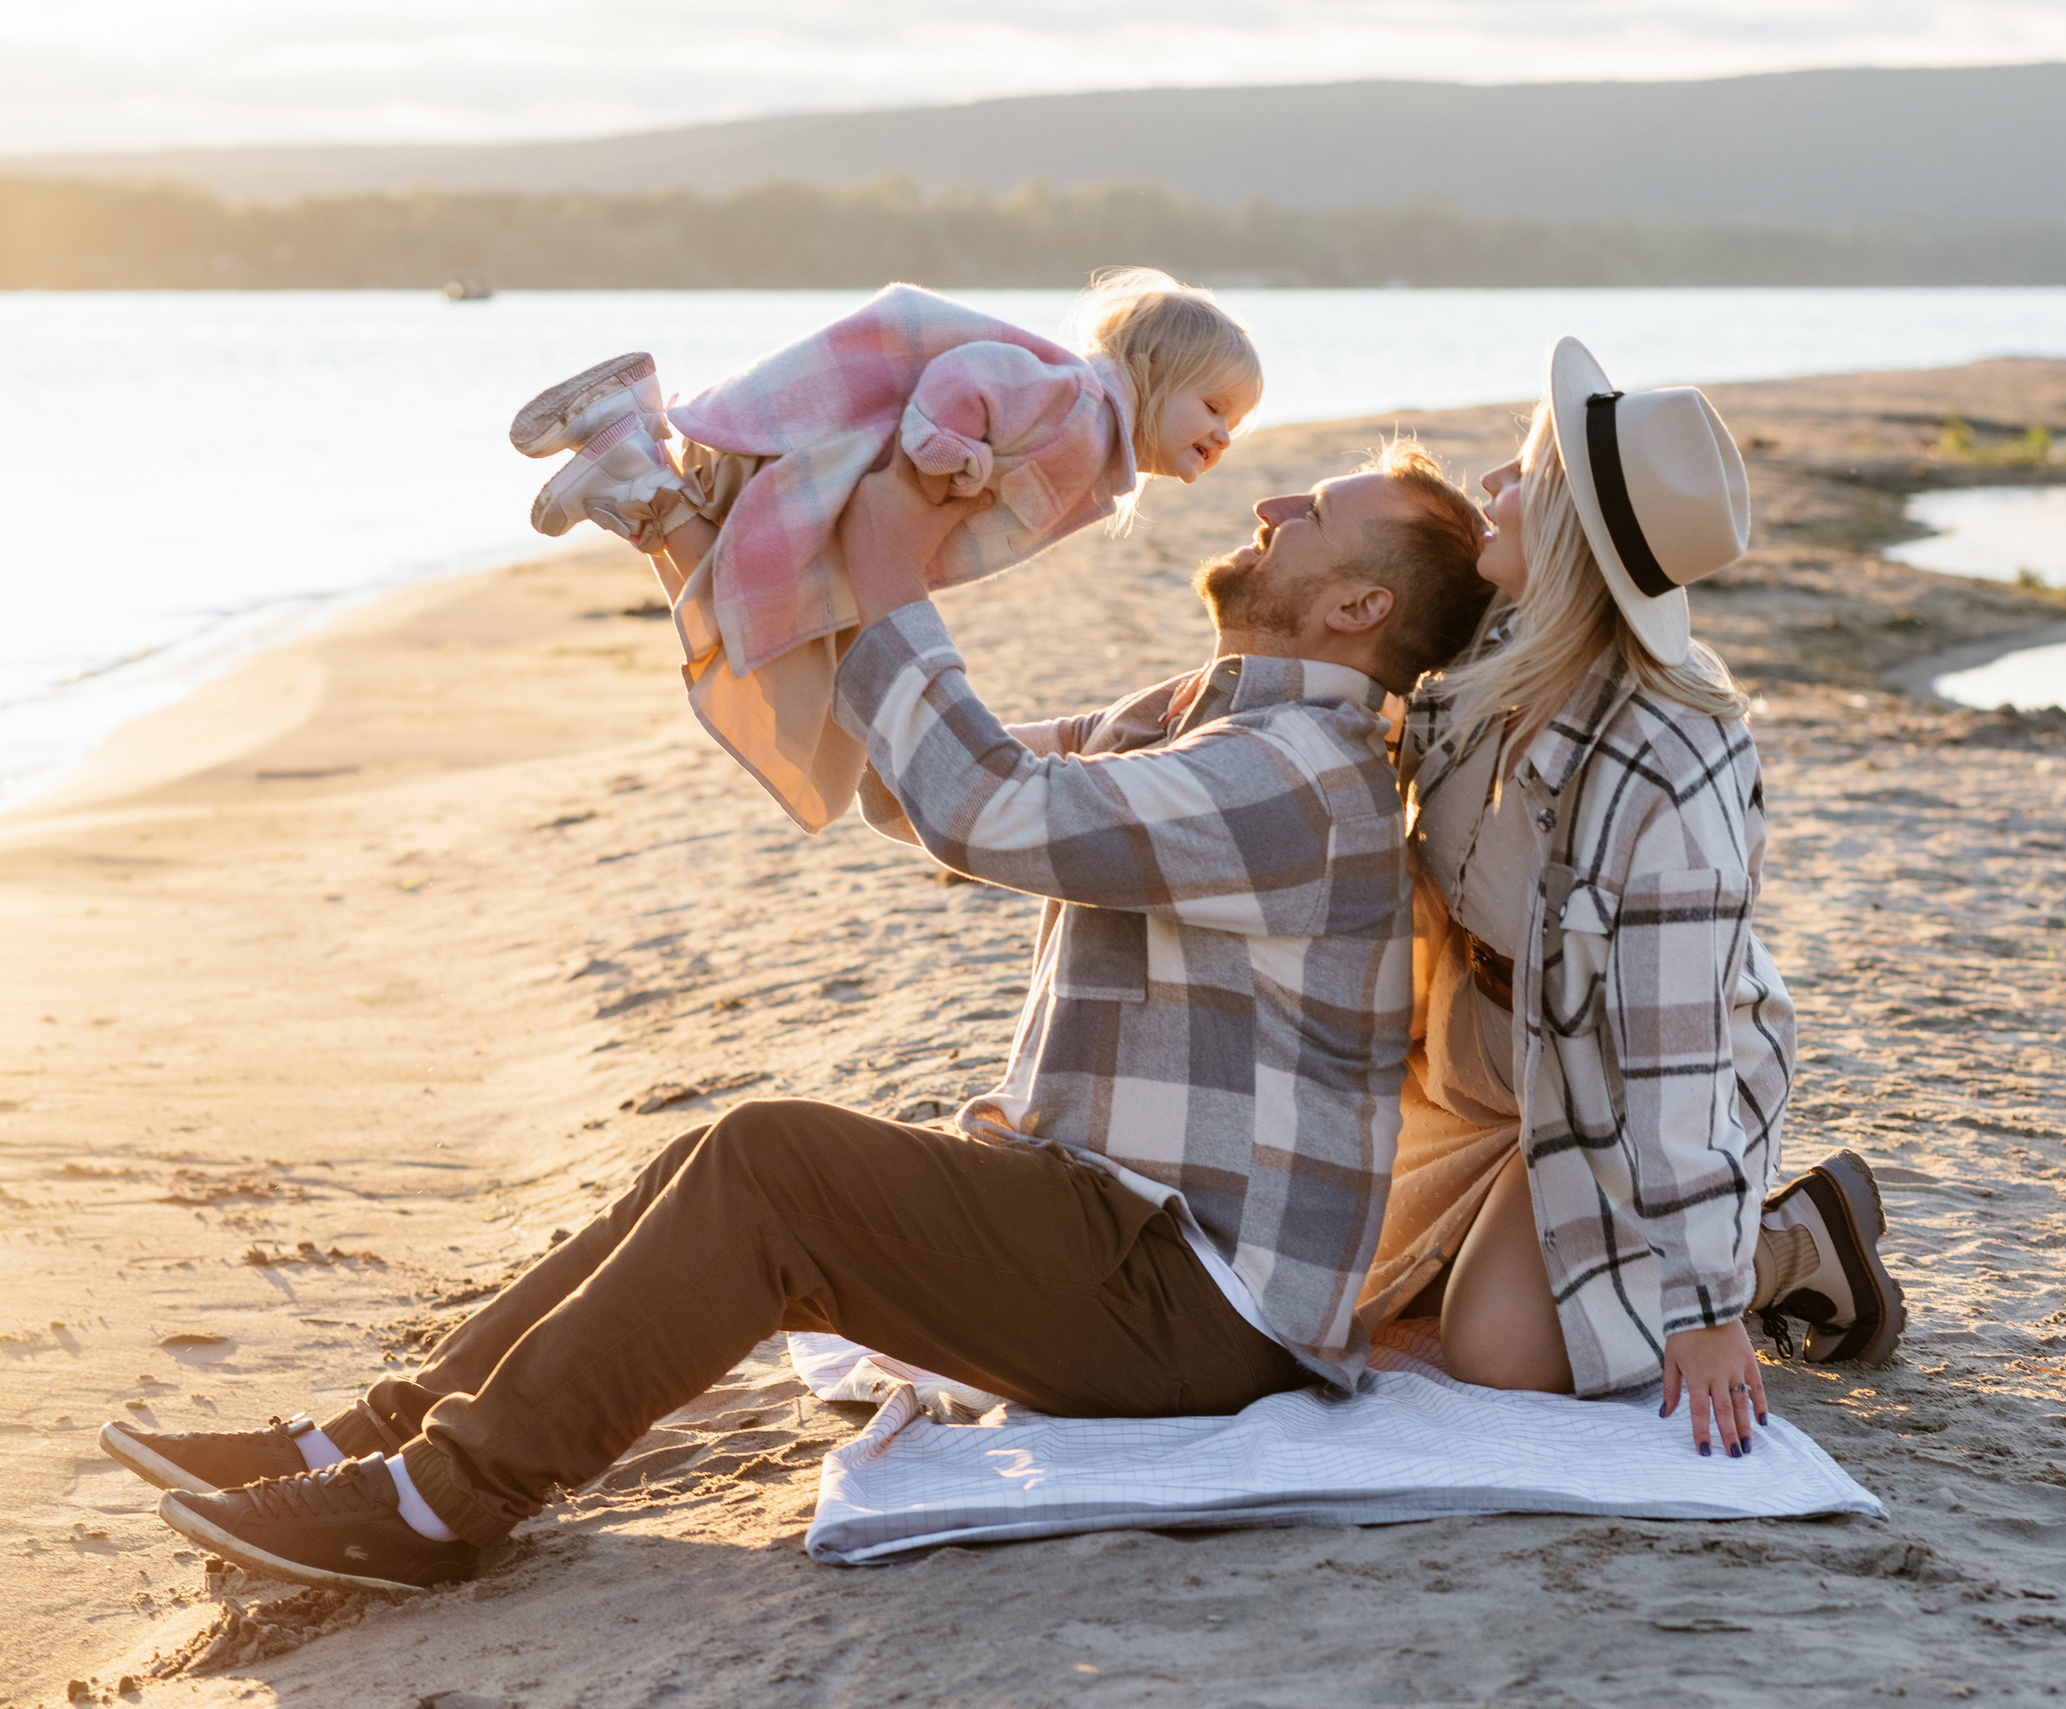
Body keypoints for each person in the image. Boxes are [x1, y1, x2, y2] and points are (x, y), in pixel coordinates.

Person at [100, 437, 1493, 1594]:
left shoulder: (1299, 777)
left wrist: (876, 566)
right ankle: (367, 1435)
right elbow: (904, 786)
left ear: (1359, 609)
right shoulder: (1206, 722)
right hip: (1114, 1239)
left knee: (777, 1165)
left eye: (1316, 513)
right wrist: (716, 546)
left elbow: (983, 806)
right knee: (714, 1161)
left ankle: (436, 1506)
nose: (1272, 502)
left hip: (1197, 1309)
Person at [1358, 339, 1906, 1459]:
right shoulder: (1484, 651)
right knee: (1347, 1292)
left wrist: (1706, 1309)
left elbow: (1675, 1059)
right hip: (1478, 1052)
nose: (1489, 488)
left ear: (1567, 531)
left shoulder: (1670, 767)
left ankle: (1793, 1245)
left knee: (1498, 1350)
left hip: (1612, 1075)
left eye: (1520, 472)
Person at [514, 268, 1264, 831]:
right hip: (842, 491)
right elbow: (968, 375)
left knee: (767, 631)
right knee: (770, 636)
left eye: (1238, 420)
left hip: (846, 517)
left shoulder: (1091, 440)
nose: (1226, 433)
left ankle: (637, 451)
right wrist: (942, 448)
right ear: (1155, 375)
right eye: (1214, 407)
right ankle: (638, 472)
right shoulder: (1077, 406)